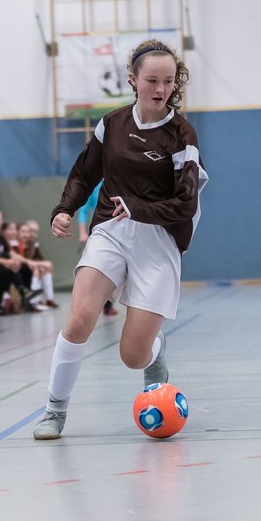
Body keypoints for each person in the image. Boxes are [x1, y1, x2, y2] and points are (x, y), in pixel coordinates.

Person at [34, 39, 207, 440]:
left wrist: (139, 209)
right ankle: (54, 411)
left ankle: (155, 351)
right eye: (151, 80)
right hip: (111, 231)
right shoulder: (111, 124)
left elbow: (184, 203)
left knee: (132, 356)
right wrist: (63, 209)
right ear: (133, 80)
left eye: (167, 81)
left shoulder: (182, 134)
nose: (160, 89)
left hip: (159, 240)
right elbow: (84, 173)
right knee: (79, 320)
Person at [76, 182, 118, 317]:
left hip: (119, 230)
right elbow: (83, 210)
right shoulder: (95, 186)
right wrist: (82, 232)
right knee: (99, 267)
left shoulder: (121, 180)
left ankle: (109, 303)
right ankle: (100, 304)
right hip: (99, 231)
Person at [18, 219, 58, 309]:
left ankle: (48, 299)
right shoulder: (20, 244)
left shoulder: (34, 244)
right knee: (39, 269)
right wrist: (41, 264)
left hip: (31, 267)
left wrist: (42, 264)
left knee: (43, 269)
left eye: (35, 232)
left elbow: (39, 258)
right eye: (30, 231)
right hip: (24, 269)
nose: (33, 234)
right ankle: (33, 301)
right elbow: (23, 259)